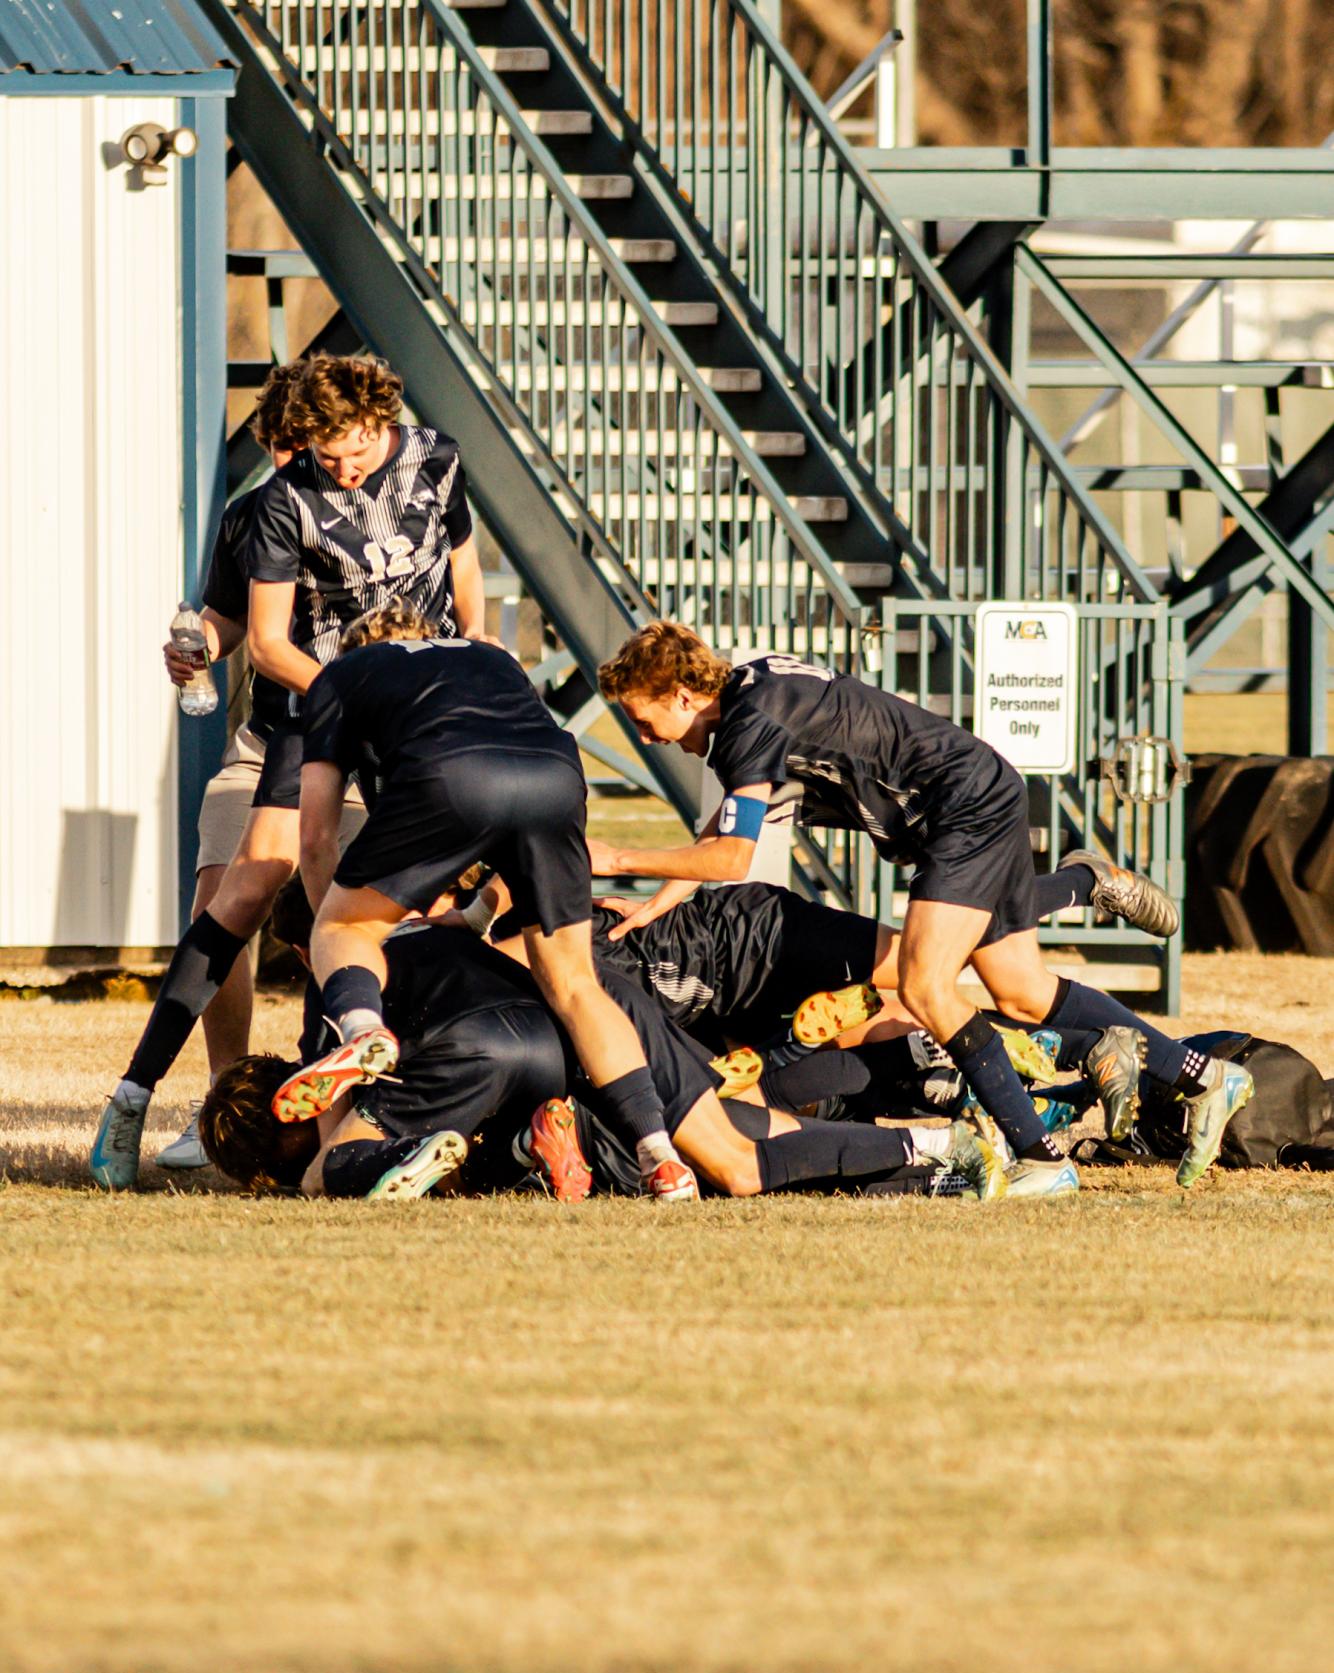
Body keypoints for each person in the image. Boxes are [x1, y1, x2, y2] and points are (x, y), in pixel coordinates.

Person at [595, 622, 1254, 1194]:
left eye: (643, 719)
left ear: (683, 694)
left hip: (960, 810)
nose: (647, 737)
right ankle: (1201, 1075)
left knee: (924, 983)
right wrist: (659, 900)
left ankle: (1038, 1157)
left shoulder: (747, 723)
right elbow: (729, 825)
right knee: (1022, 990)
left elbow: (733, 858)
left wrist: (618, 858)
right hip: (973, 795)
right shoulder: (750, 691)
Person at [90, 353, 483, 1190]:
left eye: (355, 451)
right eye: (321, 453)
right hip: (314, 719)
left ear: (385, 419)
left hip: (420, 713)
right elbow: (261, 639)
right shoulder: (272, 505)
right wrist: (208, 650)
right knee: (240, 891)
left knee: (452, 898)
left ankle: (461, 1097)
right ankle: (149, 1096)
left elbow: (464, 567)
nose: (340, 470)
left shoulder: (437, 459)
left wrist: (476, 657)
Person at [275, 599, 702, 1200]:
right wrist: (475, 914)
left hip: (450, 773)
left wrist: (340, 940)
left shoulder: (340, 678)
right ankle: (658, 1153)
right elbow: (510, 809)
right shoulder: (487, 656)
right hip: (555, 773)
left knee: (341, 931)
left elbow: (316, 836)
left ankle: (363, 1031)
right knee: (576, 983)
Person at [199, 915, 1003, 1203]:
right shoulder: (416, 928)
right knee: (741, 1146)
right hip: (596, 1018)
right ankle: (943, 1158)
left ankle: (936, 1150)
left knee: (330, 1173)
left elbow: (319, 1125)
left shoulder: (335, 992)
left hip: (474, 1051)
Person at [153, 367, 369, 1170]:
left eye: (299, 446)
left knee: (339, 907)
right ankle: (226, 1097)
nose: (290, 462)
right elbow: (226, 620)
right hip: (266, 742)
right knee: (218, 897)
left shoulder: (368, 511)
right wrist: (197, 647)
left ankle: (342, 1095)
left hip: (353, 743)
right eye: (277, 447)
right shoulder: (252, 516)